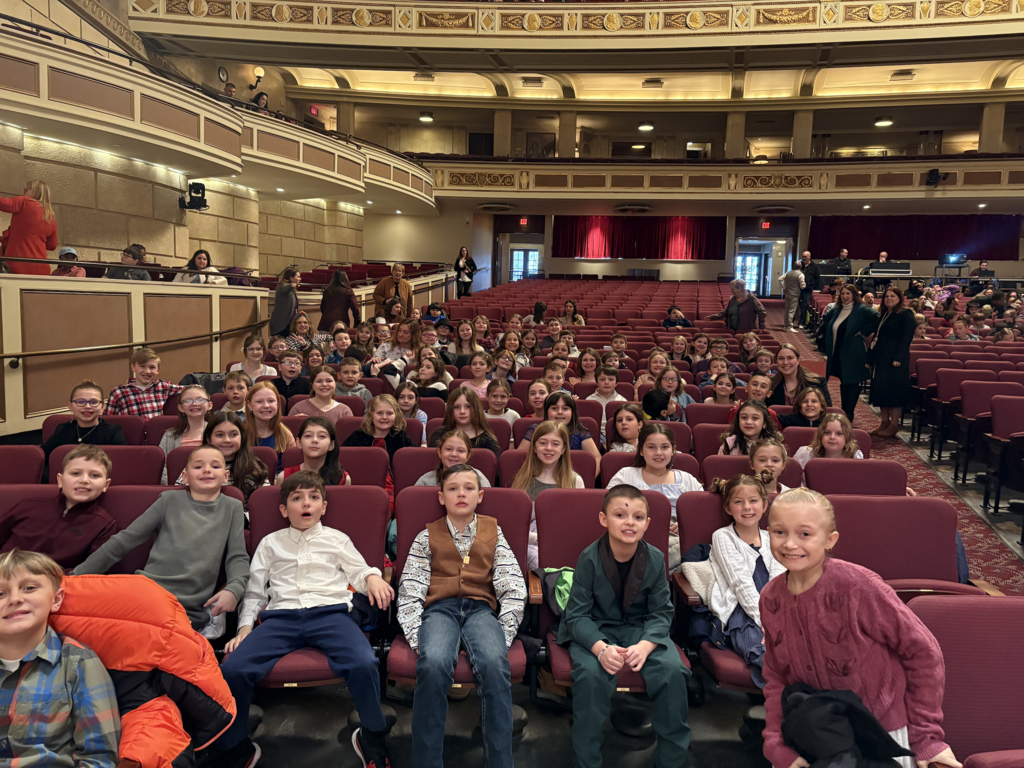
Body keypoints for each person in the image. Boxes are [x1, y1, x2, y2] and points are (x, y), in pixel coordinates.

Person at [760, 488, 959, 768]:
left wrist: (926, 737)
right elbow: (776, 678)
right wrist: (776, 744)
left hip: (882, 734)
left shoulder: (858, 586)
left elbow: (923, 652)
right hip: (818, 737)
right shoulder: (770, 598)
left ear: (830, 540)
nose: (790, 544)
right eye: (779, 532)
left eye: (804, 534)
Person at [213, 471, 391, 768]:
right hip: (280, 619)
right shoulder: (270, 543)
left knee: (363, 662)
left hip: (331, 614)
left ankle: (372, 734)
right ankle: (237, 746)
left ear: (323, 507)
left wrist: (373, 577)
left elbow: (359, 572)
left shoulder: (337, 539)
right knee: (233, 668)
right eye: (297, 498)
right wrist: (244, 628)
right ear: (284, 510)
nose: (306, 503)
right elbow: (255, 592)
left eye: (314, 497)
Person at [397, 465, 526, 768]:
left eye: (469, 488)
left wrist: (504, 633)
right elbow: (410, 591)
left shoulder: (494, 532)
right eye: (453, 488)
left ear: (480, 496)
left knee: (494, 663)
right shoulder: (426, 536)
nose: (461, 494)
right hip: (439, 610)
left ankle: (500, 763)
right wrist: (417, 637)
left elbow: (513, 586)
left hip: (481, 610)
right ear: (441, 497)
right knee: (433, 663)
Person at [559, 485, 691, 768]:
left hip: (640, 630)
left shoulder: (654, 558)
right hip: (595, 629)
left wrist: (646, 645)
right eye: (620, 515)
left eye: (638, 517)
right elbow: (577, 615)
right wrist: (600, 648)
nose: (630, 522)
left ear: (647, 523)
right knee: (591, 677)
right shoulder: (589, 558)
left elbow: (661, 612)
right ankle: (588, 762)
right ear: (604, 519)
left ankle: (670, 762)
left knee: (672, 671)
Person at [74, 445, 248, 637]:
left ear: (225, 476)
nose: (206, 470)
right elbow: (124, 540)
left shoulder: (232, 507)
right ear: (185, 476)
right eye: (198, 466)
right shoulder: (169, 500)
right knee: (89, 618)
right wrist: (75, 577)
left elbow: (237, 557)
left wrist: (235, 588)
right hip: (145, 590)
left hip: (186, 608)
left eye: (215, 466)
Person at [0, 550, 121, 765]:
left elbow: (100, 758)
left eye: (29, 588)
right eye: (0, 593)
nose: (15, 599)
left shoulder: (79, 663)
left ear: (56, 600)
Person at [707, 473, 785, 688]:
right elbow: (740, 584)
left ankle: (803, 700)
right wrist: (764, 621)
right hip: (742, 610)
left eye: (753, 501)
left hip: (776, 609)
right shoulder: (723, 536)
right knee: (763, 654)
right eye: (739, 502)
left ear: (765, 505)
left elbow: (778, 582)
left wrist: (776, 619)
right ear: (728, 508)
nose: (747, 507)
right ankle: (790, 701)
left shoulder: (773, 537)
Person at [0, 444, 117, 570]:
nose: (84, 480)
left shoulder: (104, 524)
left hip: (55, 580)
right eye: (76, 473)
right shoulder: (28, 505)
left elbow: (91, 570)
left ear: (106, 485)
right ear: (60, 480)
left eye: (95, 475)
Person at [606, 423, 702, 571]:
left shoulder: (687, 479)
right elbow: (607, 507)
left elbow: (702, 512)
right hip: (638, 534)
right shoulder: (626, 475)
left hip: (678, 536)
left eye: (665, 447)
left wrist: (687, 523)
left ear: (673, 450)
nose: (658, 453)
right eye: (651, 447)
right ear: (641, 450)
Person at [512, 421, 585, 568]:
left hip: (563, 544)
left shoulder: (575, 481)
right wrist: (537, 539)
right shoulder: (522, 480)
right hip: (529, 543)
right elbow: (515, 526)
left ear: (564, 449)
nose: (549, 448)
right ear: (534, 447)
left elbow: (578, 525)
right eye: (543, 443)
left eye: (555, 444)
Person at [819, 284, 878, 422]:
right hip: (837, 352)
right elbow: (827, 320)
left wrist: (863, 331)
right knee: (844, 381)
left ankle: (848, 413)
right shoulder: (837, 309)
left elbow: (878, 319)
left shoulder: (861, 309)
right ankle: (844, 411)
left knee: (851, 383)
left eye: (848, 294)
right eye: (843, 293)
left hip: (853, 354)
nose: (845, 296)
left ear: (854, 295)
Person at [40, 381, 127, 462]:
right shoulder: (63, 430)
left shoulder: (113, 431)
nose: (87, 406)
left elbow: (124, 461)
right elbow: (42, 457)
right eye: (80, 402)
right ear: (70, 406)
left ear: (102, 407)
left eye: (94, 402)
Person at [870, 286, 916, 438]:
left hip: (896, 359)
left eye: (892, 296)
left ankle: (894, 424)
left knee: (894, 392)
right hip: (882, 357)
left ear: (899, 298)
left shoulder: (905, 314)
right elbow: (877, 337)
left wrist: (898, 357)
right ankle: (884, 422)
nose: (889, 298)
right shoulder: (884, 314)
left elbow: (906, 338)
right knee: (881, 390)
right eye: (886, 296)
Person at [194, 412, 269, 504]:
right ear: (208, 439)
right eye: (219, 435)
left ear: (242, 437)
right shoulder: (196, 466)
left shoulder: (254, 469)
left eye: (233, 434)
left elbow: (264, 504)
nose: (227, 440)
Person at [519, 391, 601, 465]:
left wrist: (589, 476)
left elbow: (597, 459)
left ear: (572, 412)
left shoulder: (580, 432)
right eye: (554, 408)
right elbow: (519, 456)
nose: (560, 412)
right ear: (546, 411)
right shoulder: (535, 430)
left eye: (565, 408)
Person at [105, 348, 184, 421]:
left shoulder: (163, 386)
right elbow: (108, 420)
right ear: (133, 367)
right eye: (142, 366)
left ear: (158, 370)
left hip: (157, 430)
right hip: (131, 431)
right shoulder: (118, 392)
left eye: (152, 367)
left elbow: (187, 389)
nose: (147, 371)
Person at [0, 179, 58, 275]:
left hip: (18, 266)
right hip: (42, 268)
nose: (23, 191)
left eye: (27, 189)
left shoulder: (25, 202)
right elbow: (52, 245)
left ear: (36, 192)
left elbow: (2, 203)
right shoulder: (50, 216)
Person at [157, 385, 213, 484]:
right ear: (180, 407)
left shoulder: (217, 432)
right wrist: (176, 484)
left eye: (200, 400)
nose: (194, 404)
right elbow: (162, 468)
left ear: (209, 405)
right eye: (188, 401)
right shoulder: (169, 435)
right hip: (177, 487)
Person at [427, 388, 501, 459]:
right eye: (457, 407)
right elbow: (432, 463)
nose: (462, 411)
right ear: (450, 409)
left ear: (476, 408)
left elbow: (492, 466)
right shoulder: (439, 435)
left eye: (468, 406)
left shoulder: (488, 440)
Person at [277, 417, 350, 485]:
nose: (314, 440)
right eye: (308, 436)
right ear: (299, 442)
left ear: (331, 445)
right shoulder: (284, 477)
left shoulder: (343, 479)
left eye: (322, 436)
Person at [244, 381, 296, 472]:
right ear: (249, 405)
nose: (266, 406)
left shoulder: (285, 434)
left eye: (271, 401)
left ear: (277, 404)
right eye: (259, 401)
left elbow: (292, 468)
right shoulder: (241, 434)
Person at [415, 430, 491, 488]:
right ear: (440, 452)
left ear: (468, 456)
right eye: (448, 449)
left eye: (460, 451)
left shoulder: (479, 479)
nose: (454, 454)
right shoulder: (426, 482)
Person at [767, 344, 831, 409]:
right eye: (781, 358)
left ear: (798, 360)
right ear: (776, 362)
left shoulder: (817, 383)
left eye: (790, 358)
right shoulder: (770, 384)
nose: (785, 362)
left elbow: (827, 410)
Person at [792, 413, 864, 468]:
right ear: (821, 435)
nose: (832, 437)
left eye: (839, 433)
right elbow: (793, 478)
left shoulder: (855, 456)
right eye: (827, 433)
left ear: (847, 437)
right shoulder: (804, 454)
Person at [587, 366, 627, 438]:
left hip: (617, 434)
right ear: (597, 382)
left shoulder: (622, 401)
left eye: (611, 379)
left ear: (616, 383)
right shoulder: (589, 400)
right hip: (595, 434)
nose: (606, 382)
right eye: (602, 379)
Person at [269, 268, 301, 337]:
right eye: (298, 277)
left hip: (290, 323)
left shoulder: (292, 290)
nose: (300, 279)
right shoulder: (282, 285)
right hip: (281, 323)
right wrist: (291, 285)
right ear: (291, 278)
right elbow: (284, 288)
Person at [780, 261, 806, 333]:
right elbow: (802, 286)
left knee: (787, 310)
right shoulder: (801, 274)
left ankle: (785, 326)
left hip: (787, 293)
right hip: (794, 294)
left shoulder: (788, 273)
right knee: (791, 311)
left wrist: (784, 287)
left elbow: (780, 278)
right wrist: (804, 285)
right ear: (800, 267)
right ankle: (789, 327)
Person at [797, 250, 821, 327]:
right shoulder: (799, 265)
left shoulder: (814, 266)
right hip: (798, 288)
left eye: (805, 257)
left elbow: (817, 278)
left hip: (808, 289)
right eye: (803, 256)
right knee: (797, 305)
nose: (804, 258)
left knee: (805, 305)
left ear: (809, 257)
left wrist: (812, 286)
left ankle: (802, 322)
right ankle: (792, 321)